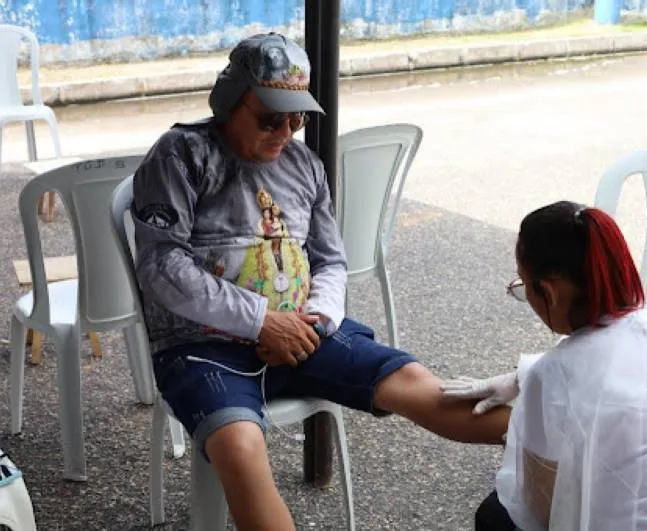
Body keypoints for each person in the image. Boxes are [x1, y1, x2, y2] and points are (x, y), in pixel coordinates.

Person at [131, 32, 509, 531]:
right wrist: (262, 322)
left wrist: (317, 318)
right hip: (202, 345)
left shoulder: (303, 164)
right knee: (241, 448)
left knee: (422, 386)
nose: (286, 131)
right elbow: (163, 266)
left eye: (298, 117)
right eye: (271, 118)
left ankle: (581, 449)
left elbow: (330, 261)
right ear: (230, 103)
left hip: (304, 330)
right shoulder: (183, 155)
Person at [441, 200, 647, 531]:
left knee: (495, 516)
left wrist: (524, 431)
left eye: (523, 286)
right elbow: (619, 376)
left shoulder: (556, 376)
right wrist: (523, 377)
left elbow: (540, 514)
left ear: (549, 291)